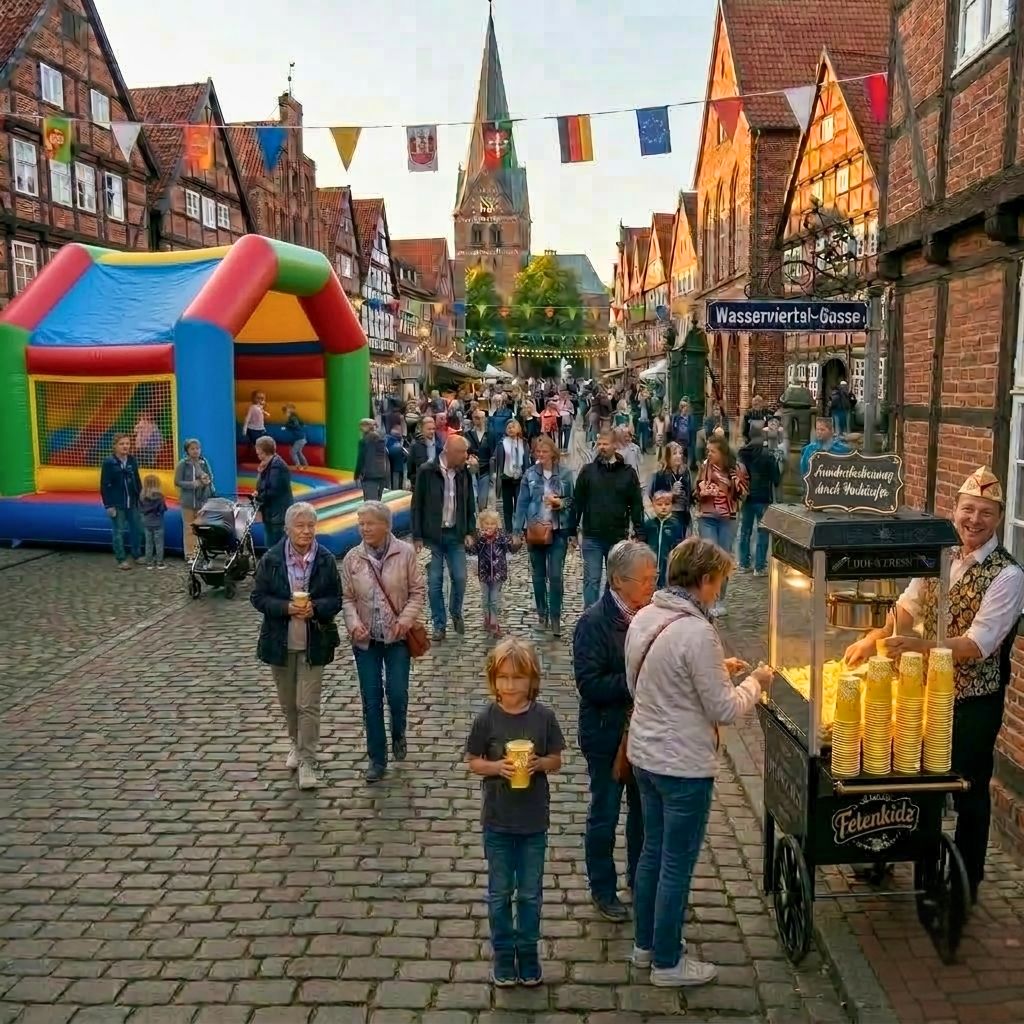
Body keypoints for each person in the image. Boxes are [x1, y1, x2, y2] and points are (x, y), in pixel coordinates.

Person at [844, 467, 1024, 903]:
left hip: (973, 699)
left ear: (998, 518)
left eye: (985, 513)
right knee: (906, 769)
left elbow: (978, 645)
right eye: (968, 510)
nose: (974, 520)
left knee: (966, 785)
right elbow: (906, 608)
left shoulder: (1008, 575)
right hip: (924, 691)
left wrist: (919, 647)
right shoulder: (940, 556)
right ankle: (885, 851)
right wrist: (874, 638)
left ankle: (965, 878)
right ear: (955, 511)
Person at [626, 537, 771, 985]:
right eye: (718, 583)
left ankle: (645, 944)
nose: (718, 592)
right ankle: (668, 962)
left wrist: (715, 669)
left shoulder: (647, 616)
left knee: (651, 852)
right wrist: (757, 682)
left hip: (645, 756)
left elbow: (651, 681)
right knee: (676, 862)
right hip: (682, 765)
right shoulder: (697, 631)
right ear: (704, 580)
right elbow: (724, 710)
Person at [465, 639, 565, 988]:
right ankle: (504, 954)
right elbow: (473, 761)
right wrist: (496, 768)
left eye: (518, 678)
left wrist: (540, 763)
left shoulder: (544, 717)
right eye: (504, 678)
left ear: (532, 680)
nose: (510, 686)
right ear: (493, 681)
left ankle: (528, 951)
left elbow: (557, 758)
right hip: (497, 822)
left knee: (530, 893)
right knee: (499, 892)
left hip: (534, 822)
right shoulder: (486, 719)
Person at [573, 540, 657, 923]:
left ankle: (639, 883)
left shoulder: (651, 615)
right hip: (607, 735)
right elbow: (590, 685)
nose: (652, 586)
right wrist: (638, 680)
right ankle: (603, 889)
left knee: (642, 813)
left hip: (644, 734)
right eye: (646, 580)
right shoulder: (592, 623)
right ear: (620, 582)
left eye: (654, 578)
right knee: (605, 813)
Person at [250, 501, 342, 790]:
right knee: (290, 704)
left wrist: (316, 608)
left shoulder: (325, 559)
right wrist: (286, 608)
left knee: (308, 704)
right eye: (300, 526)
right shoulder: (272, 559)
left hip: (315, 640)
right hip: (280, 641)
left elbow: (336, 599)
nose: (306, 531)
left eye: (310, 526)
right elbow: (258, 597)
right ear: (288, 529)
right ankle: (295, 743)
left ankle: (307, 761)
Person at [341, 501, 425, 783]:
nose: (364, 528)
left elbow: (417, 592)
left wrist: (406, 620)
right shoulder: (352, 558)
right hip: (366, 642)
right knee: (371, 698)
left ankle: (399, 731)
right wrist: (354, 624)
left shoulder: (405, 553)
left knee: (397, 694)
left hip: (398, 638)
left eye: (370, 523)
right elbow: (348, 598)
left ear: (386, 526)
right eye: (360, 523)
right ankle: (377, 758)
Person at [412, 433, 477, 641]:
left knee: (460, 578)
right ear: (449, 452)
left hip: (455, 534)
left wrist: (470, 530)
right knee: (435, 582)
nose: (466, 457)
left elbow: (469, 502)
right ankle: (439, 624)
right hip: (433, 536)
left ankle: (455, 611)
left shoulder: (463, 472)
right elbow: (417, 505)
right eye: (462, 453)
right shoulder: (427, 471)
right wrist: (417, 536)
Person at [573, 429, 645, 609]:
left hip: (617, 536)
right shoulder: (588, 472)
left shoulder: (628, 473)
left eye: (606, 444)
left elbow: (636, 504)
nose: (602, 447)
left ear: (615, 445)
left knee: (615, 581)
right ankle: (590, 616)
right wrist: (571, 529)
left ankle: (609, 615)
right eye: (600, 444)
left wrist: (639, 530)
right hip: (592, 535)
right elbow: (578, 502)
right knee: (591, 579)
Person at [513, 435, 574, 638]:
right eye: (538, 452)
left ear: (553, 453)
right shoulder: (529, 474)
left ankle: (556, 616)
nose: (541, 455)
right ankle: (542, 615)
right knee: (538, 576)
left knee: (555, 575)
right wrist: (516, 530)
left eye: (545, 451)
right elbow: (521, 503)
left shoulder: (565, 474)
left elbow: (571, 501)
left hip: (558, 530)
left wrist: (561, 504)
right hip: (535, 529)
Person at [695, 437, 740, 617]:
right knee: (709, 558)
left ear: (722, 453)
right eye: (708, 450)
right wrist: (701, 491)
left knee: (723, 558)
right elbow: (695, 491)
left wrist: (733, 484)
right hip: (707, 517)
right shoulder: (705, 468)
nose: (709, 454)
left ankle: (721, 598)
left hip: (727, 519)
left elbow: (742, 493)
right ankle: (708, 599)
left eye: (712, 451)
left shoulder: (735, 469)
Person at [736, 427, 782, 576]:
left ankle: (743, 563)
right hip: (763, 498)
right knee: (762, 533)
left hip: (747, 498)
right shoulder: (768, 455)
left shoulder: (742, 455)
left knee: (745, 531)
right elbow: (776, 479)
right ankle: (760, 566)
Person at [467, 508, 518, 638]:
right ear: (482, 525)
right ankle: (487, 617)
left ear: (497, 524)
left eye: (492, 524)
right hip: (484, 574)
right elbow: (473, 551)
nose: (490, 527)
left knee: (494, 599)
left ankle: (494, 623)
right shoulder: (480, 538)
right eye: (487, 524)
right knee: (485, 598)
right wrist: (472, 543)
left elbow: (510, 548)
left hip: (498, 573)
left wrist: (517, 543)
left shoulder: (501, 537)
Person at [100, 433, 143, 570]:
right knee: (118, 531)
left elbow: (137, 479)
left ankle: (136, 554)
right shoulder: (109, 463)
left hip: (133, 502)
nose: (125, 446)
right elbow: (105, 485)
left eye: (127, 444)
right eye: (122, 444)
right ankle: (121, 559)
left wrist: (140, 496)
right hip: (118, 503)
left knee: (137, 529)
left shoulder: (131, 460)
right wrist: (109, 505)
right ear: (115, 446)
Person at [174, 438, 214, 561]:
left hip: (202, 500)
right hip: (188, 501)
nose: (196, 451)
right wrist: (192, 484)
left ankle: (200, 552)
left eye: (197, 448)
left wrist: (207, 481)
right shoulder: (183, 464)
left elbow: (210, 476)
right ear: (187, 450)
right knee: (189, 528)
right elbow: (177, 481)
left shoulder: (204, 462)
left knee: (201, 527)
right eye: (192, 449)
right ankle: (190, 554)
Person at [254, 436, 294, 549]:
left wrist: (259, 497)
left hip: (278, 513)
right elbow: (264, 487)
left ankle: (276, 564)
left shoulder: (277, 466)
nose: (257, 453)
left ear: (264, 451)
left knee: (275, 544)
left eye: (258, 451)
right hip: (271, 512)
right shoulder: (267, 465)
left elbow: (273, 489)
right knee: (270, 543)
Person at [493, 419, 529, 534]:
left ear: (518, 428)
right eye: (508, 427)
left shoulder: (523, 443)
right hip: (506, 478)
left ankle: (520, 528)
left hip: (520, 478)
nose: (510, 429)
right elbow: (496, 459)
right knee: (507, 506)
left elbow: (527, 460)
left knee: (520, 504)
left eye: (513, 426)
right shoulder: (501, 443)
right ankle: (508, 530)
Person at [649, 442, 692, 539]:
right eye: (674, 453)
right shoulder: (661, 474)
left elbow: (690, 493)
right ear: (668, 456)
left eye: (680, 453)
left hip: (683, 513)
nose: (678, 456)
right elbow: (653, 494)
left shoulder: (685, 472)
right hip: (668, 514)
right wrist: (671, 494)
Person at [644, 492, 685, 589]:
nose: (663, 507)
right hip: (650, 564)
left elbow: (679, 545)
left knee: (666, 588)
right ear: (653, 505)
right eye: (659, 504)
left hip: (667, 565)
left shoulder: (675, 524)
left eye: (667, 504)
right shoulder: (649, 524)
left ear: (672, 505)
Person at [466, 408, 494, 510]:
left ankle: (482, 519)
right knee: (473, 497)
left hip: (486, 468)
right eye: (476, 418)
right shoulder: (468, 434)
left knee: (483, 498)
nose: (479, 420)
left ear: (485, 419)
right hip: (471, 468)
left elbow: (494, 452)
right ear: (473, 419)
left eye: (482, 418)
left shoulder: (490, 434)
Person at [355, 420, 390, 501]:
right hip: (382, 473)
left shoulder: (364, 441)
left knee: (369, 502)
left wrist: (356, 474)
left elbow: (361, 458)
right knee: (377, 500)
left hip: (369, 474)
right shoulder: (381, 439)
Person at [139, 474, 167, 570]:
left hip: (147, 523)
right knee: (159, 543)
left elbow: (141, 509)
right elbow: (162, 509)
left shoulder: (142, 496)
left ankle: (149, 563)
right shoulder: (159, 497)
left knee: (148, 543)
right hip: (158, 522)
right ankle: (160, 563)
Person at [408, 416, 442, 485]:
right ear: (422, 429)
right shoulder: (415, 445)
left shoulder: (440, 444)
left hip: (436, 482)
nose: (432, 431)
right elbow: (410, 468)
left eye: (433, 429)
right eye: (429, 429)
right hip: (421, 483)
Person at [283, 403, 308, 467]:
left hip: (299, 438)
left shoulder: (293, 418)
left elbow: (295, 425)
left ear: (290, 412)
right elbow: (301, 424)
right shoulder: (295, 418)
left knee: (292, 452)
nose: (286, 414)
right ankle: (305, 464)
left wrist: (286, 426)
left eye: (287, 412)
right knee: (299, 452)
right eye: (285, 412)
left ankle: (298, 465)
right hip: (302, 438)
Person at [243, 390, 268, 455]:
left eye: (262, 398)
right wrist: (245, 429)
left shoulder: (261, 407)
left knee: (257, 441)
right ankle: (255, 453)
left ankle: (250, 451)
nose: (260, 400)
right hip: (252, 429)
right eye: (258, 398)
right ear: (253, 399)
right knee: (257, 442)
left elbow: (262, 418)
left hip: (260, 429)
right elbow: (247, 418)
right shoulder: (252, 407)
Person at [386, 425, 409, 491]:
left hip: (390, 469)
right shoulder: (398, 446)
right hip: (398, 469)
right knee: (397, 488)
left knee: (393, 486)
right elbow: (406, 457)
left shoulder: (387, 441)